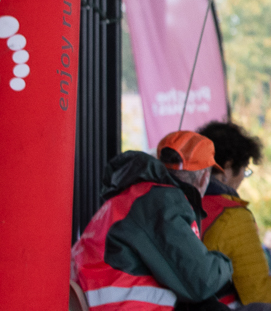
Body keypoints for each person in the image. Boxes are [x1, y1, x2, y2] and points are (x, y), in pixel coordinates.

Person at [70, 131, 234, 311]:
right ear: (204, 176)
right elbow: (202, 279)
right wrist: (227, 264)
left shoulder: (127, 198)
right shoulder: (160, 201)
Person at [197, 121, 271, 310]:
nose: (243, 177)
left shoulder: (176, 201)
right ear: (227, 167)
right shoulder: (232, 216)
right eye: (245, 170)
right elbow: (259, 297)